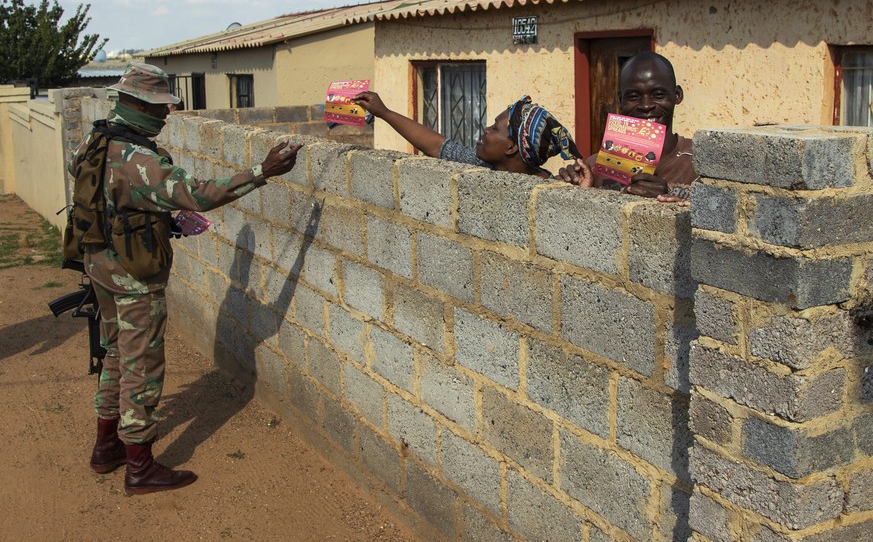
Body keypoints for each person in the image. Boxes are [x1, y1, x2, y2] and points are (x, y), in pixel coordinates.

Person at [80, 62, 301, 494]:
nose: (166, 115)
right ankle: (140, 467)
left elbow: (98, 187)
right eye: (159, 108)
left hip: (100, 265)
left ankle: (107, 447)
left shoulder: (98, 139)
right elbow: (198, 193)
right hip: (133, 277)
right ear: (139, 105)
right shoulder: (139, 160)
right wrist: (262, 172)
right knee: (141, 366)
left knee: (113, 355)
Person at [559, 51, 696, 203]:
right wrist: (582, 194)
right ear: (620, 100)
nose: (646, 105)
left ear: (677, 95)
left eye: (658, 95)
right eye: (634, 97)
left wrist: (667, 200)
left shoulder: (700, 165)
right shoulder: (595, 169)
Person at [352, 91, 578, 177]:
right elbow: (435, 146)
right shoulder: (484, 166)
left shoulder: (551, 189)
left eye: (494, 128)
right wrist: (382, 112)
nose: (486, 131)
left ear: (511, 147)